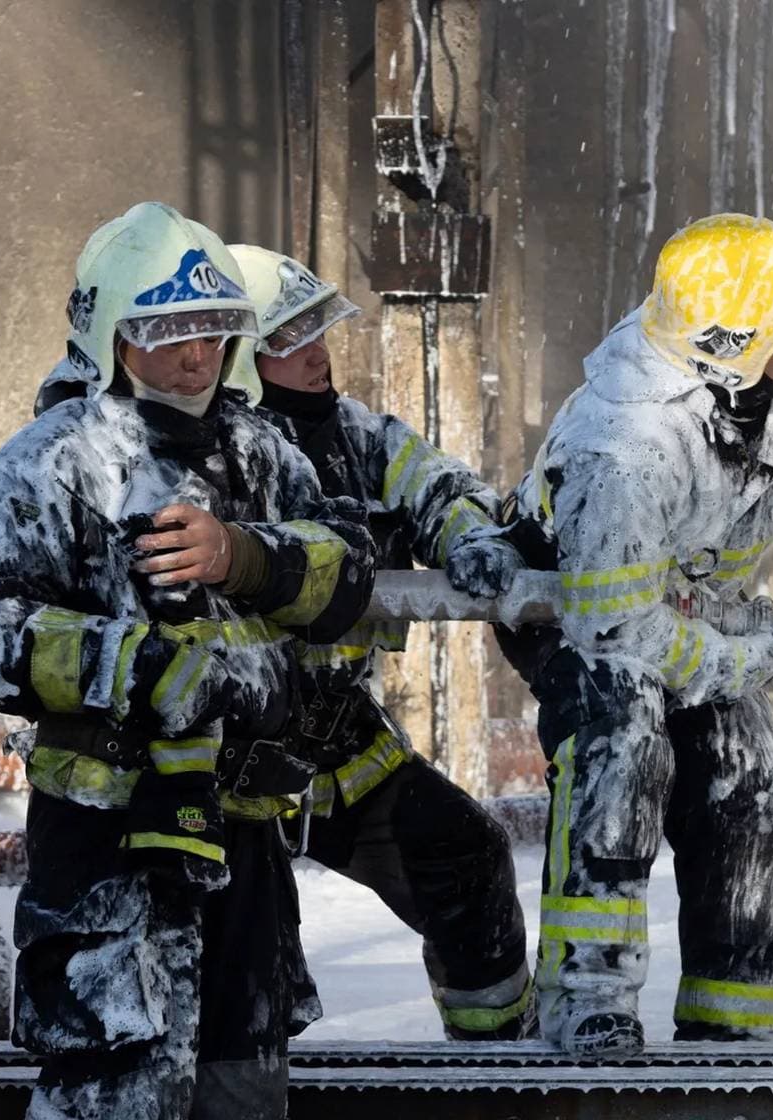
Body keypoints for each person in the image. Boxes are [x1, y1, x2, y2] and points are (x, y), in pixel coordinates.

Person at [0, 201, 375, 1119]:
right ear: (110, 335)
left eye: (212, 329)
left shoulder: (263, 455)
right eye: (166, 331)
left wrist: (244, 558)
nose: (195, 355)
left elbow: (349, 572)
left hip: (241, 837)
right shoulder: (49, 465)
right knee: (113, 1094)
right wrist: (142, 666)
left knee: (243, 1092)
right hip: (107, 850)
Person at [464, 213, 773, 1058]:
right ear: (727, 348)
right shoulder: (623, 447)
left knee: (747, 780)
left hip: (694, 608)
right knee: (625, 747)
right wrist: (725, 659)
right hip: (579, 609)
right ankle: (590, 1001)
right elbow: (613, 621)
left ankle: (734, 1029)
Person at [223, 243, 534, 1040]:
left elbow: (441, 487)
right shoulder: (215, 455)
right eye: (289, 342)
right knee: (249, 961)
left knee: (466, 856)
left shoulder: (357, 437)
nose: (318, 355)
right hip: (221, 755)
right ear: (239, 361)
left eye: (316, 333)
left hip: (335, 738)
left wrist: (471, 537)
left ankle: (494, 1066)